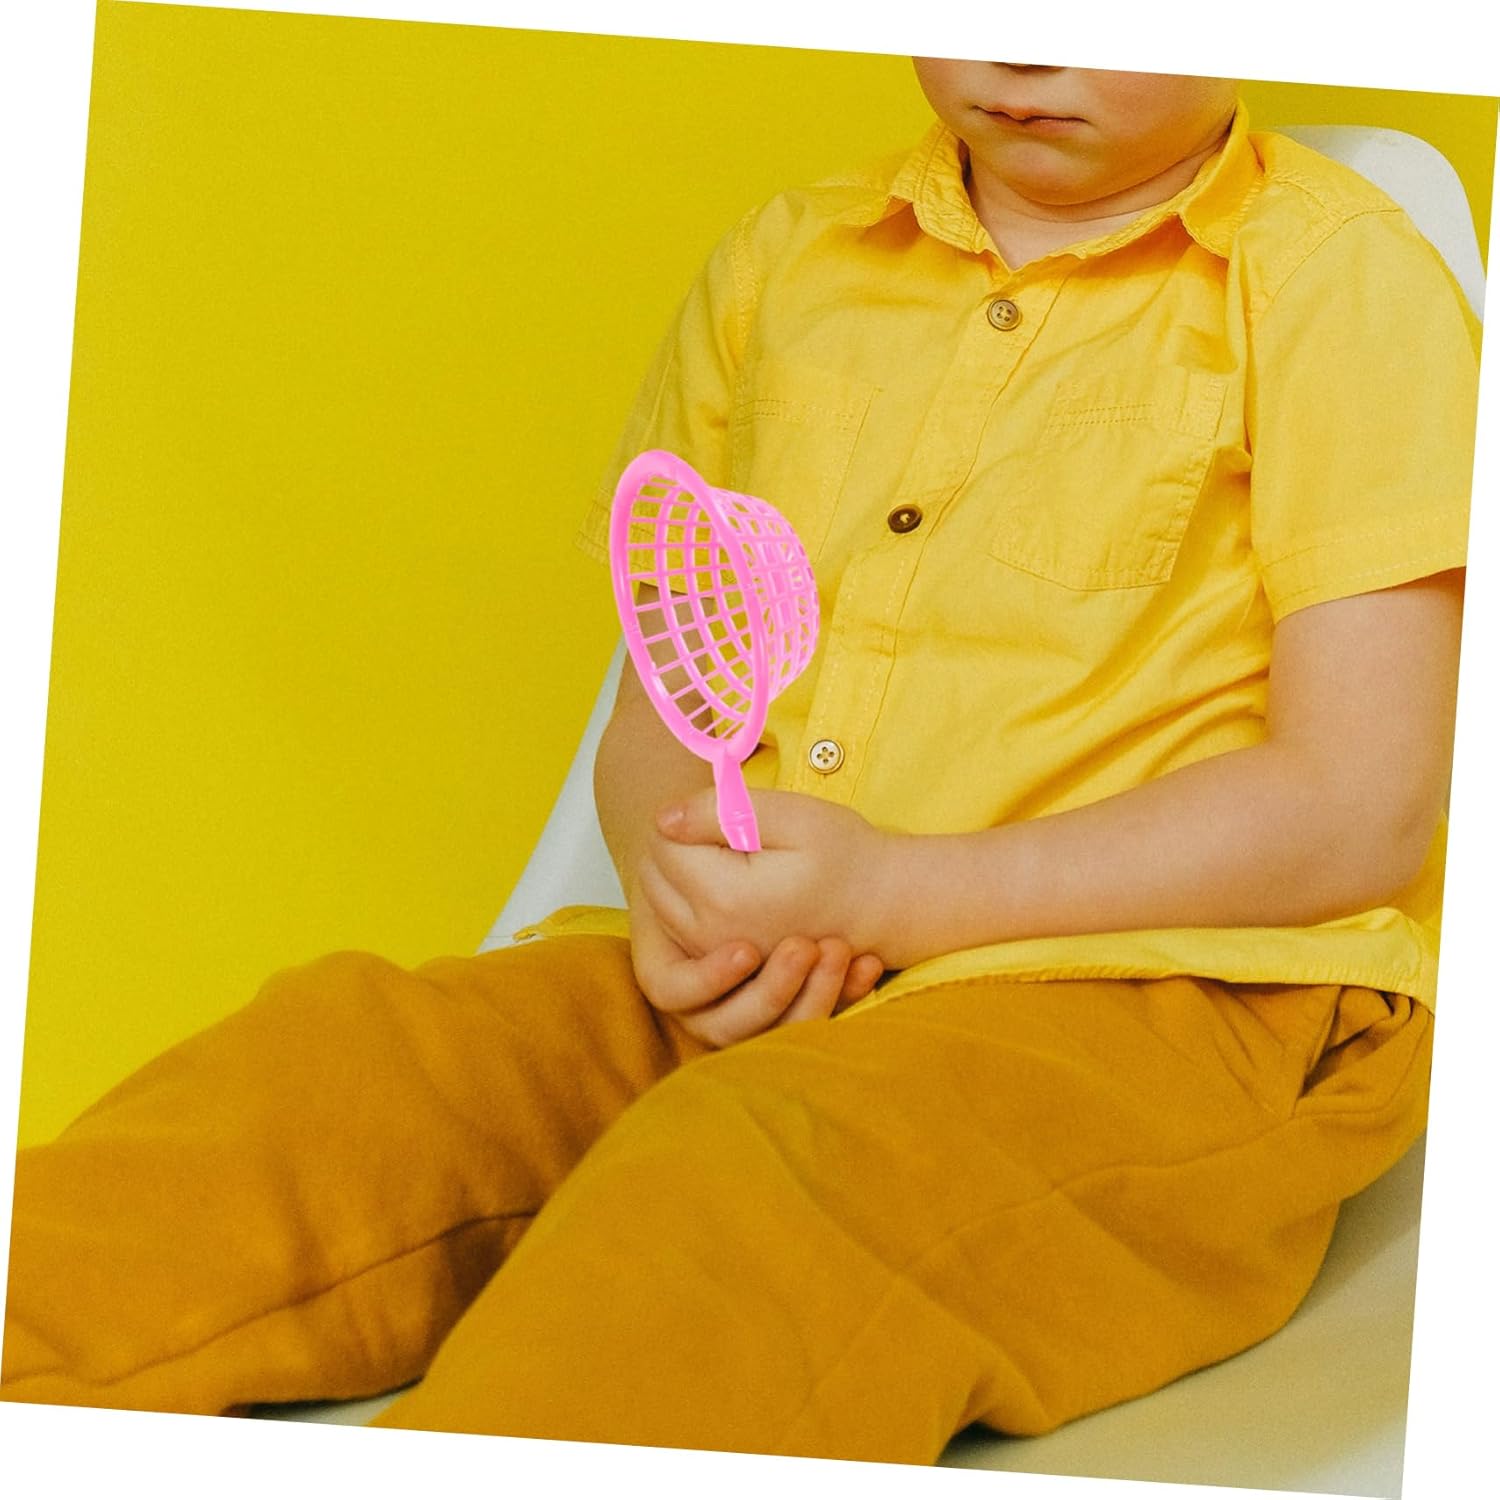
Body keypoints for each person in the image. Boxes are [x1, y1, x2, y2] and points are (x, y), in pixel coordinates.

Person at [1, 60, 1479, 1466]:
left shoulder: (1335, 279)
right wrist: (685, 890)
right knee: (341, 1075)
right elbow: (670, 692)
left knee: (743, 1188)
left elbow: (1352, 811)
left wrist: (900, 894)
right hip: (782, 964)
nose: (1028, 46)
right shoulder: (792, 257)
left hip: (1163, 1003)